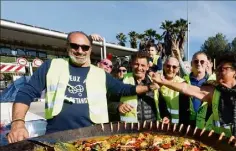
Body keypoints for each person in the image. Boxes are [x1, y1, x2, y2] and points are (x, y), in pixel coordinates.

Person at [7, 31, 156, 143]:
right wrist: (18, 124)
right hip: (56, 137)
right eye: (75, 46)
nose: (80, 50)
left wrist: (150, 86)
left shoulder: (100, 74)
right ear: (67, 47)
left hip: (93, 138)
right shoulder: (52, 66)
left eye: (85, 47)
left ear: (90, 50)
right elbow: (26, 93)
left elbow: (125, 89)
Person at [152, 53, 236, 151]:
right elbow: (187, 88)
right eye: (217, 69)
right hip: (225, 150)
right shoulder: (214, 92)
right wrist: (163, 82)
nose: (217, 72)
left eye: (223, 69)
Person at [117, 51, 169, 124]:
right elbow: (110, 101)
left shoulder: (154, 82)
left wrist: (166, 116)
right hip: (129, 129)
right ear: (132, 64)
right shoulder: (122, 81)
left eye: (143, 65)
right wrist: (118, 106)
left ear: (148, 67)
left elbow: (161, 103)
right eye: (136, 64)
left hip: (151, 127)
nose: (139, 68)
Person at [159, 57, 185, 124]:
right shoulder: (157, 82)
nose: (170, 69)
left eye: (174, 67)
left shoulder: (183, 83)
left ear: (178, 69)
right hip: (160, 126)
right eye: (168, 66)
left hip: (178, 127)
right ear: (164, 66)